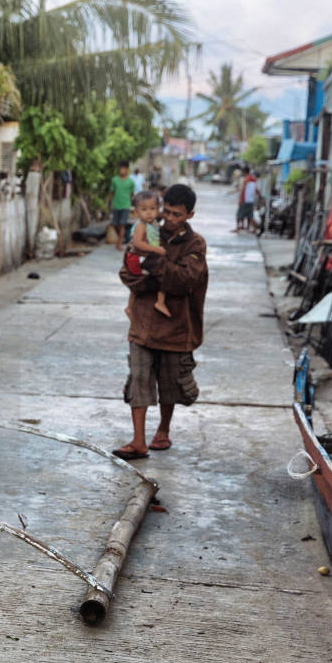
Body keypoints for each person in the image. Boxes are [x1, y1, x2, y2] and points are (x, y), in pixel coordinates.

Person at [113, 184, 208, 461]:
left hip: (177, 327)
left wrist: (154, 267)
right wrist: (151, 277)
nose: (168, 218)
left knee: (170, 385)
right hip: (143, 324)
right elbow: (127, 271)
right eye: (166, 211)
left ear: (190, 215)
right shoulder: (146, 230)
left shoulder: (195, 244)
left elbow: (185, 281)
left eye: (176, 214)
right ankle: (138, 440)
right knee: (139, 381)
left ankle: (163, 431)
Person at [123, 191, 170, 318]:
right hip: (139, 258)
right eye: (144, 209)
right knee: (163, 273)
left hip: (143, 256)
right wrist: (156, 249)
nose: (149, 212)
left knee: (139, 285)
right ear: (136, 212)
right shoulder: (141, 226)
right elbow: (138, 243)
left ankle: (129, 307)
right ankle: (160, 302)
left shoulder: (153, 224)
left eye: (153, 208)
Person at [109, 162, 135, 250]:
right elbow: (112, 192)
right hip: (116, 205)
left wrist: (130, 204)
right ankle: (122, 238)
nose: (122, 170)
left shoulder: (130, 182)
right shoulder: (114, 180)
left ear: (127, 170)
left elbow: (132, 194)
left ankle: (119, 244)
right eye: (121, 168)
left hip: (126, 205)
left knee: (122, 224)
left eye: (124, 169)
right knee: (115, 224)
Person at [235, 166, 260, 232]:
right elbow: (256, 189)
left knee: (238, 215)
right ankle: (255, 228)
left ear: (244, 171)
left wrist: (240, 199)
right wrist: (260, 197)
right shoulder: (253, 179)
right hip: (251, 200)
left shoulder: (246, 179)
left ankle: (238, 228)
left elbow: (243, 190)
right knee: (250, 216)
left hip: (245, 200)